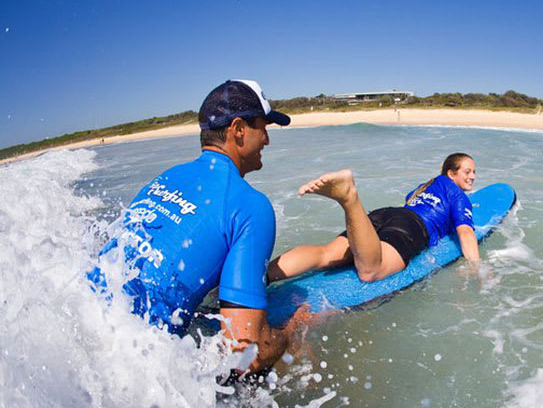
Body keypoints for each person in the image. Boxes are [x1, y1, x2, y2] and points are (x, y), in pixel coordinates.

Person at [88, 79, 296, 374]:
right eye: (263, 128)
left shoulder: (167, 177)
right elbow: (247, 352)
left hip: (82, 319)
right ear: (238, 129)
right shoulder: (251, 205)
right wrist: (292, 330)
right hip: (130, 365)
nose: (267, 140)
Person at [267, 153, 479, 283]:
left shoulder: (427, 185)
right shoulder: (458, 196)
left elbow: (408, 201)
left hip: (386, 214)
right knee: (370, 271)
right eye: (467, 172)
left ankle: (263, 276)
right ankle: (349, 199)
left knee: (326, 254)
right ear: (452, 173)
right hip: (412, 226)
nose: (472, 177)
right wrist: (476, 268)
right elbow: (466, 233)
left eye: (474, 172)